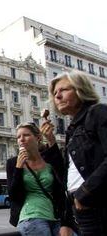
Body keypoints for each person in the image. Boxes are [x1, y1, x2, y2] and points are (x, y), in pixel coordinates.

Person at [49, 71, 107, 236]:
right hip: (81, 208)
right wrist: (66, 220)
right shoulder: (72, 130)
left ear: (81, 90)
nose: (57, 96)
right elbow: (69, 177)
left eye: (64, 90)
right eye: (55, 93)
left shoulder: (97, 112)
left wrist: (84, 193)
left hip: (97, 203)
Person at [6, 122, 72, 236]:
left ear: (37, 138)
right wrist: (18, 168)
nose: (21, 139)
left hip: (55, 216)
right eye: (18, 137)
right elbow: (14, 196)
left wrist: (66, 222)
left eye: (26, 135)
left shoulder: (49, 159)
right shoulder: (13, 163)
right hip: (30, 216)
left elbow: (64, 182)